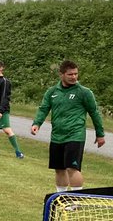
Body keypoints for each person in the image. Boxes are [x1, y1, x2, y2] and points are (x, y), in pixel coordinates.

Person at [30, 59, 106, 193]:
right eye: (70, 74)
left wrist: (100, 134)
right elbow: (43, 109)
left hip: (75, 135)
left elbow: (94, 112)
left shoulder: (84, 92)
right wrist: (37, 123)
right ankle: (61, 198)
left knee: (72, 168)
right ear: (61, 74)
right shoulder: (52, 92)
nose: (74, 77)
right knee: (59, 169)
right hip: (57, 136)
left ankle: (76, 200)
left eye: (76, 74)